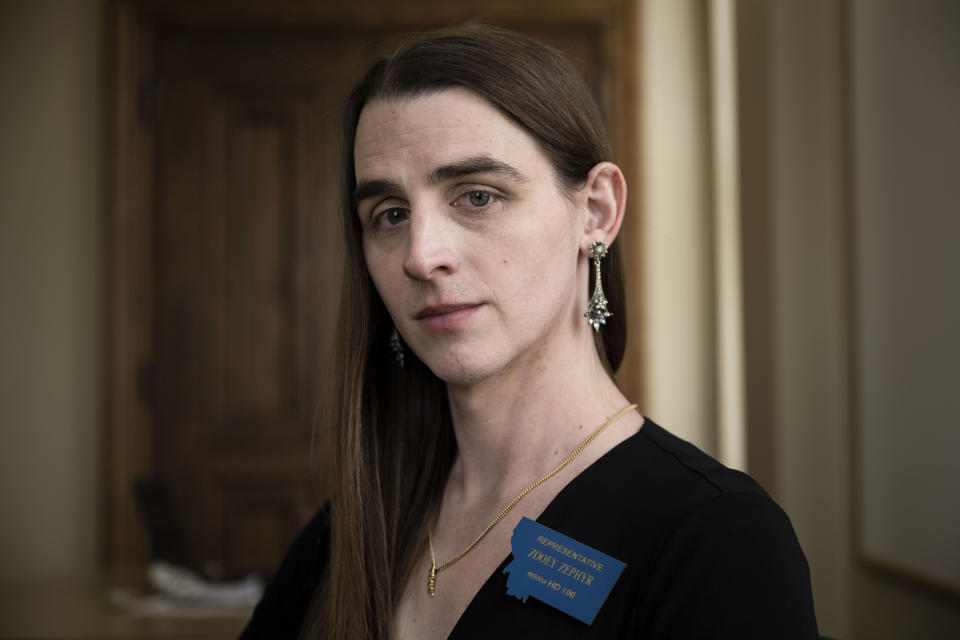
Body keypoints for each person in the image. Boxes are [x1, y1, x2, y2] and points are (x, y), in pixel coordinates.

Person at [240, 24, 819, 640]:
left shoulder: (718, 538)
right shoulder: (349, 530)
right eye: (390, 214)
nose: (420, 255)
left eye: (478, 197)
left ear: (595, 211)